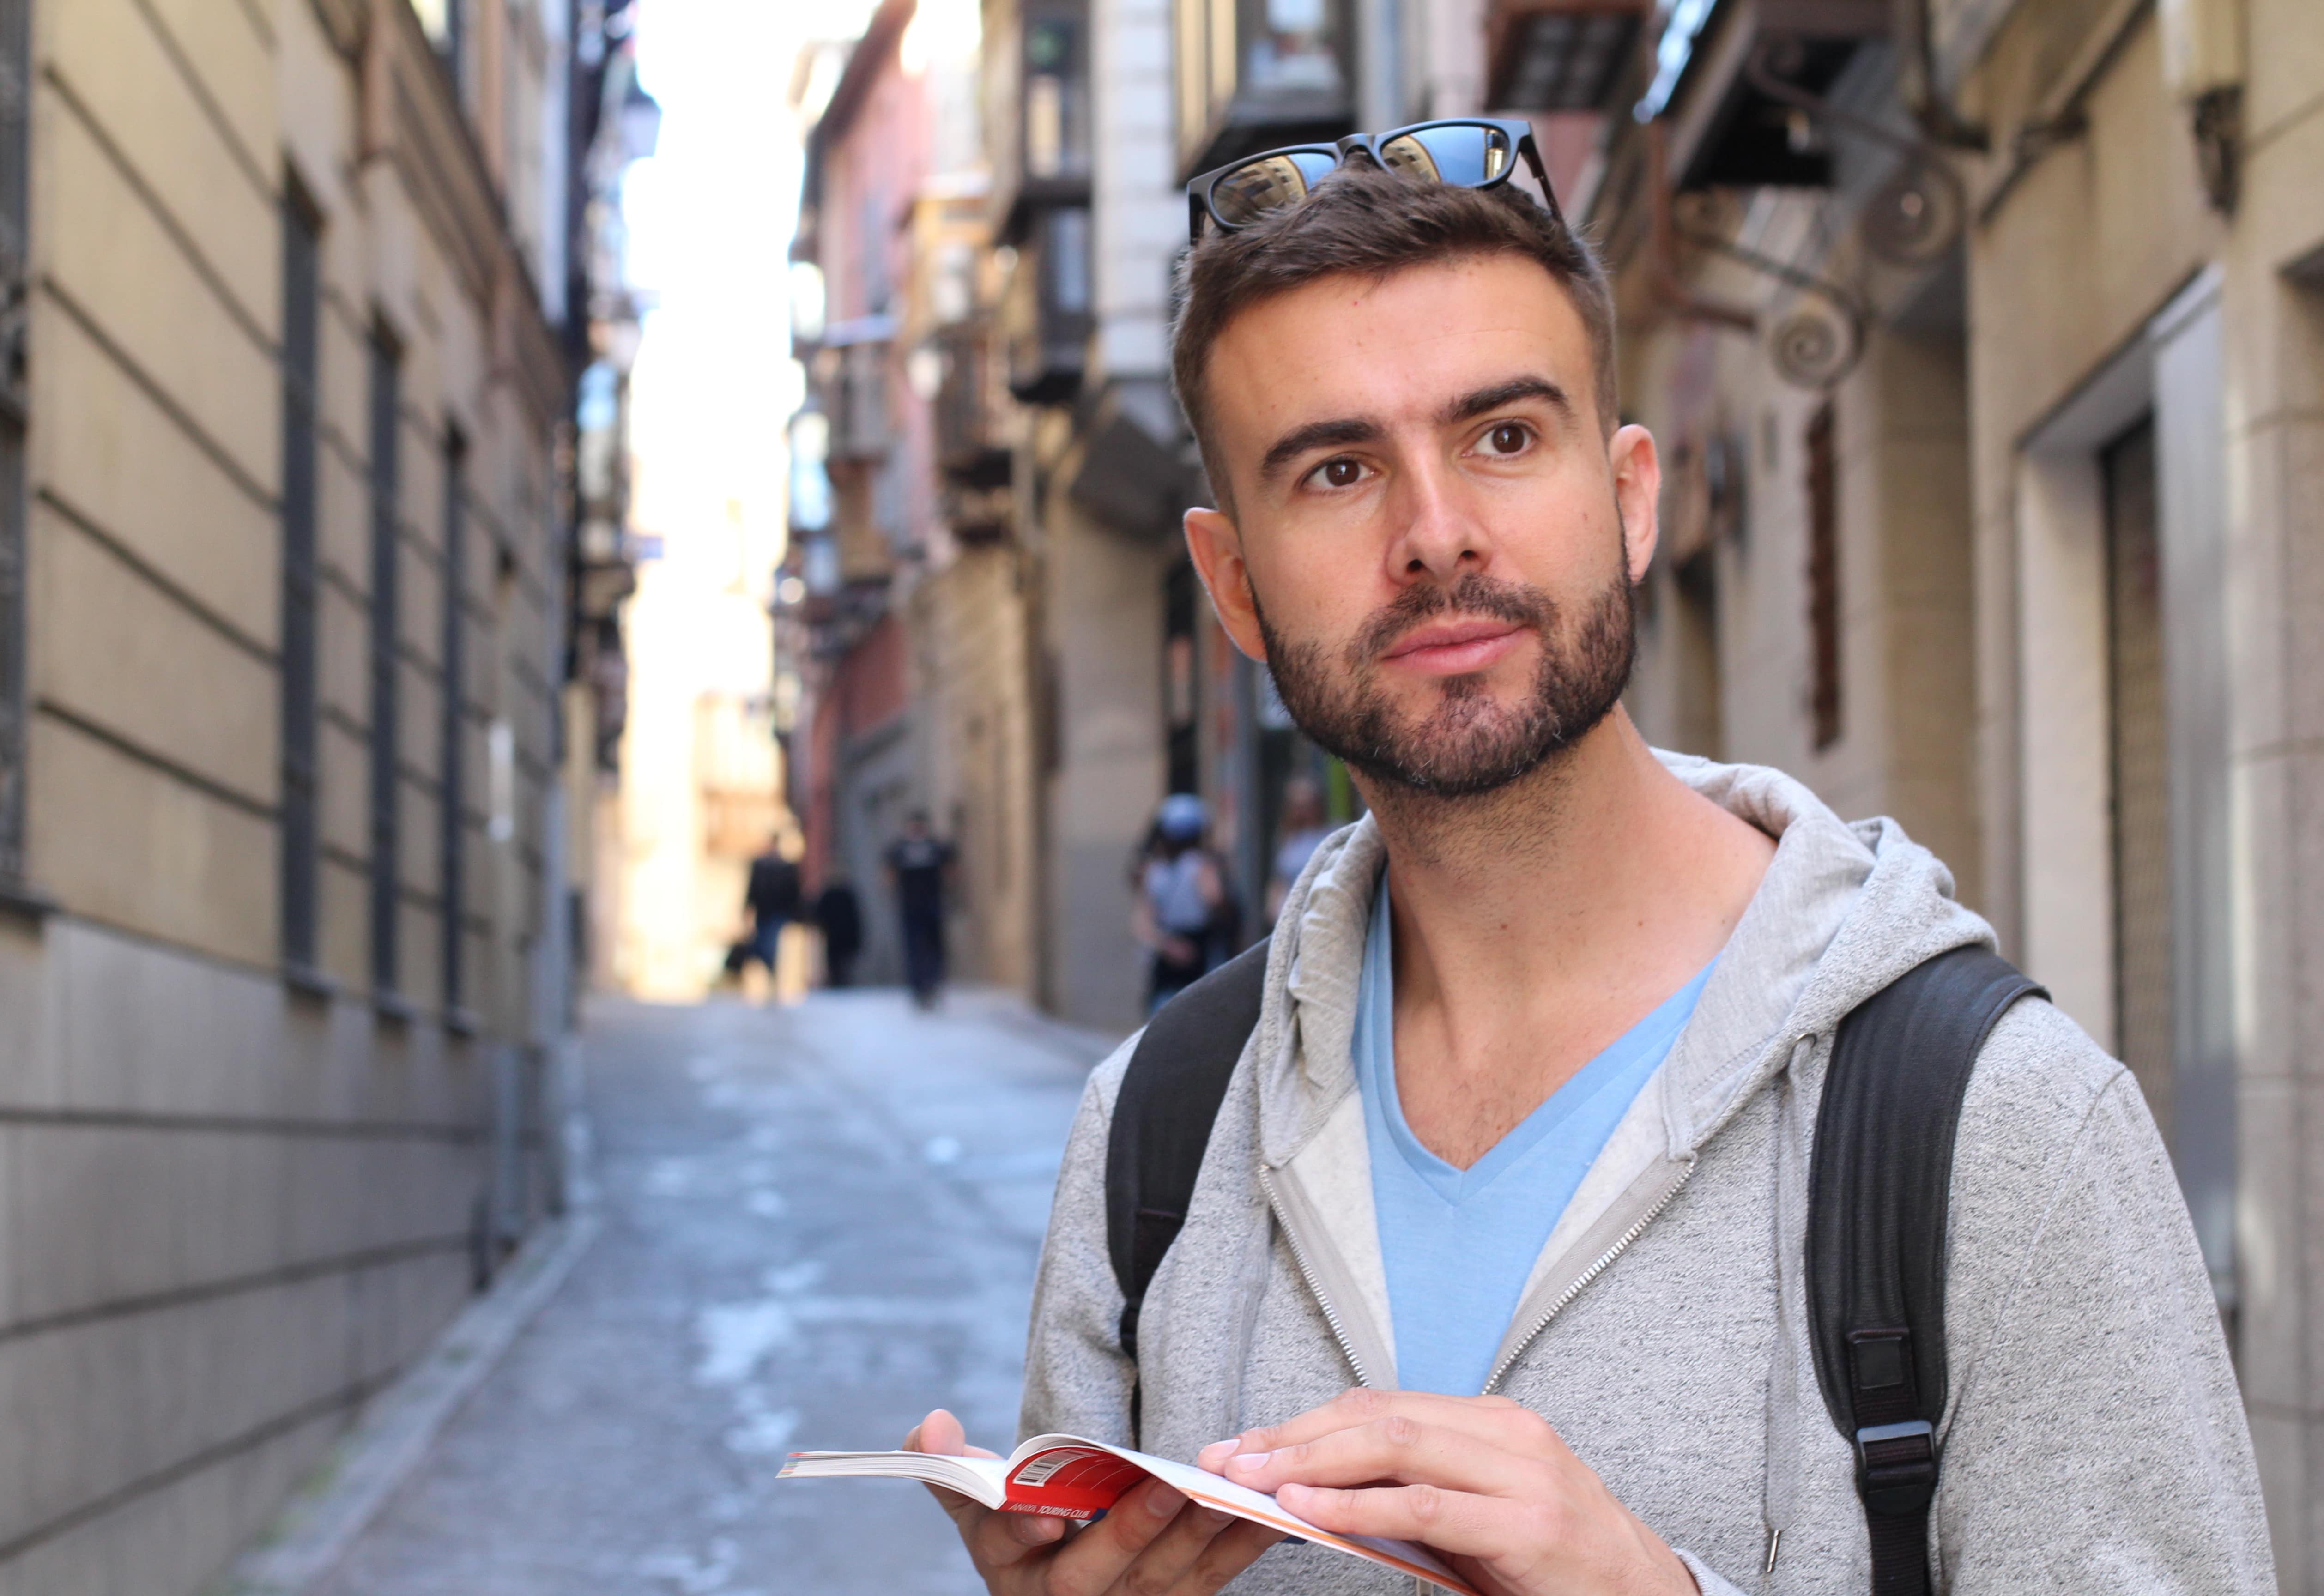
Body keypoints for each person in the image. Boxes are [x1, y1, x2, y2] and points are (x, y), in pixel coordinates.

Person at [903, 132, 2270, 1595]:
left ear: (1628, 501)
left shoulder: (1997, 1125)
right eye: (1338, 470)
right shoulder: (1155, 1142)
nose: (1435, 537)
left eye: (1503, 438)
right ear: (1233, 584)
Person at [1132, 793, 1226, 1015]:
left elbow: (1143, 923)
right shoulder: (1201, 867)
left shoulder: (1153, 870)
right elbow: (1216, 901)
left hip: (1168, 952)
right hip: (1197, 949)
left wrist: (1167, 945)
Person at [885, 810, 954, 1009]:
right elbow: (889, 872)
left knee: (934, 946)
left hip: (932, 904)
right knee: (914, 947)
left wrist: (949, 893)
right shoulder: (900, 849)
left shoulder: (936, 847)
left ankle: (933, 983)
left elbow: (949, 869)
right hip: (910, 905)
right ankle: (919, 987)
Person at [739, 834, 803, 1002]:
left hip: (778, 914)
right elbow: (752, 889)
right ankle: (770, 976)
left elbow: (793, 892)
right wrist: (746, 911)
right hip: (763, 913)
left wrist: (796, 914)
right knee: (764, 946)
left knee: (771, 945)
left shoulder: (786, 867)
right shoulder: (761, 866)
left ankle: (773, 978)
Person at [1262, 774, 1331, 923]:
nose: (1303, 812)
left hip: (1321, 911)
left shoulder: (1331, 834)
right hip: (1291, 916)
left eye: (1308, 806)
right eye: (1298, 806)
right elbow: (1280, 878)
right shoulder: (1287, 838)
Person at [812, 877, 864, 990]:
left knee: (843, 966)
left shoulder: (846, 895)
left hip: (842, 937)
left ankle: (842, 985)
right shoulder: (830, 895)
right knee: (836, 966)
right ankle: (838, 985)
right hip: (834, 938)